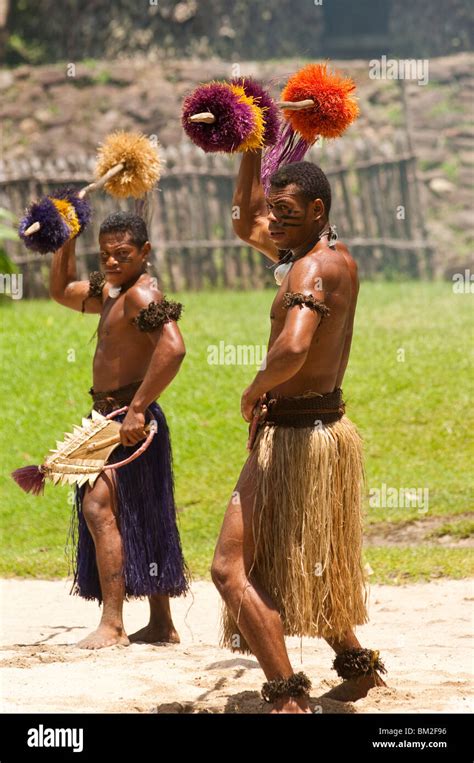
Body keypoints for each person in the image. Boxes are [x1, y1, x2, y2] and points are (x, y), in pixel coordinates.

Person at [211, 151, 387, 713]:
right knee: (301, 560)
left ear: (318, 208)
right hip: (319, 428)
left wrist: (255, 386)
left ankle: (288, 700)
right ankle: (358, 670)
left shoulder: (309, 268)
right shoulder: (325, 256)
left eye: (285, 211)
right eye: (273, 209)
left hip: (293, 436)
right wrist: (250, 149)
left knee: (229, 568)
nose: (273, 220)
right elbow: (243, 220)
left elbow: (291, 347)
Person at [50, 211, 189, 649]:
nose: (110, 262)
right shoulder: (114, 291)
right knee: (144, 513)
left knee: (97, 507)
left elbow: (173, 347)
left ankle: (112, 624)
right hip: (115, 417)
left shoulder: (140, 295)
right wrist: (67, 239)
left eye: (122, 254)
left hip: (128, 421)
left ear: (145, 253)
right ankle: (162, 624)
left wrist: (138, 409)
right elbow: (61, 291)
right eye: (104, 254)